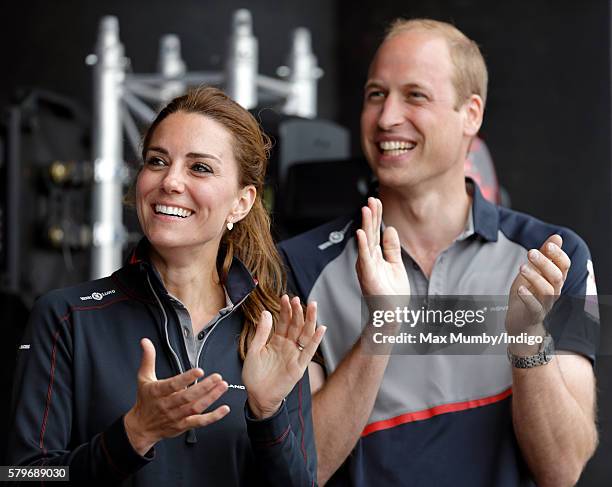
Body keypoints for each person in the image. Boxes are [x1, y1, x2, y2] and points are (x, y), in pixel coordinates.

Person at [281, 19, 599, 487]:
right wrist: (382, 326)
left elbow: (562, 470)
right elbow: (304, 469)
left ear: (471, 113)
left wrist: (529, 339)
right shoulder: (299, 264)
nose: (387, 117)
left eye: (415, 95)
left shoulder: (555, 256)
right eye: (375, 94)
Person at [8, 86, 325, 486]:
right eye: (157, 161)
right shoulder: (66, 316)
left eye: (200, 168)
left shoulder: (271, 332)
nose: (171, 181)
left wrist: (267, 412)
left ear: (242, 203)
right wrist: (133, 435)